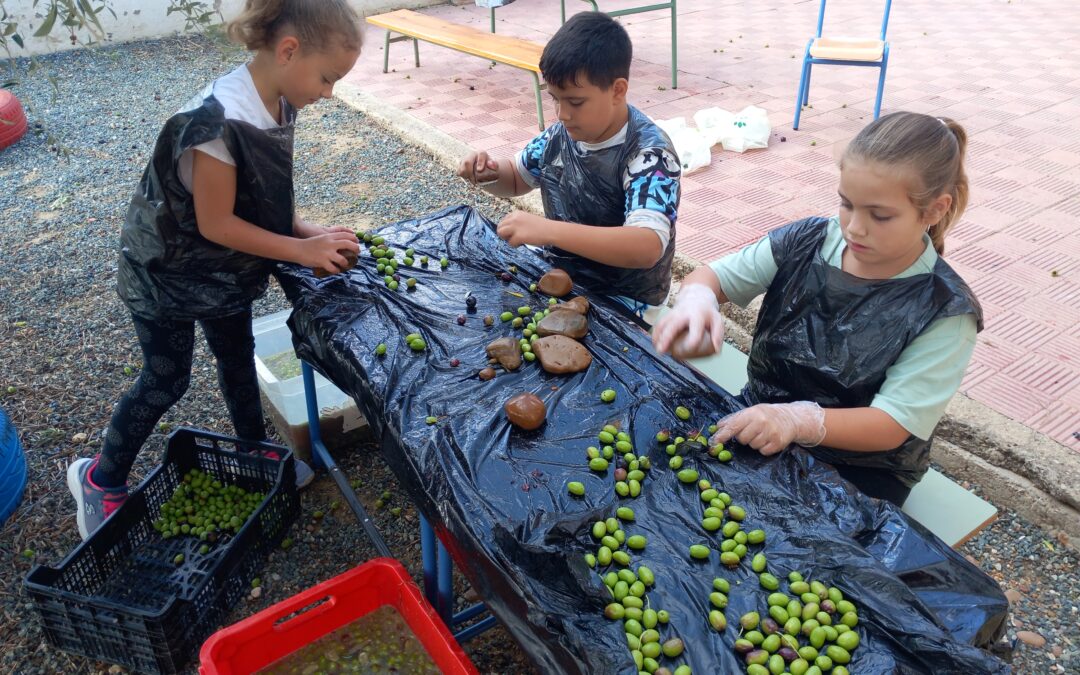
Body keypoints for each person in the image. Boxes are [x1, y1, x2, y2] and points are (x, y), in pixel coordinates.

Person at [67, 0, 363, 540]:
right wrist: (300, 252)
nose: (328, 93)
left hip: (223, 273)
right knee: (167, 378)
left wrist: (311, 233)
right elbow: (216, 222)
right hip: (165, 271)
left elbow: (263, 202)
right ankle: (100, 478)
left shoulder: (279, 101)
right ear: (289, 51)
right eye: (327, 78)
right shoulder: (215, 123)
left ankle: (256, 452)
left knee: (236, 358)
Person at [653, 112, 981, 507]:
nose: (854, 228)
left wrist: (797, 420)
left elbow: (891, 424)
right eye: (846, 204)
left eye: (879, 215)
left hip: (862, 467)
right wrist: (697, 300)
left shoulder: (946, 311)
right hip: (761, 417)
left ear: (934, 210)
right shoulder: (807, 240)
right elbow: (711, 277)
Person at [457, 12, 681, 325]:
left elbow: (646, 246)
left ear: (617, 90)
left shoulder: (649, 155)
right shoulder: (560, 135)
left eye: (575, 102)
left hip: (627, 299)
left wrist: (548, 231)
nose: (562, 114)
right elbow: (517, 178)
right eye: (555, 99)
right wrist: (489, 174)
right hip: (564, 276)